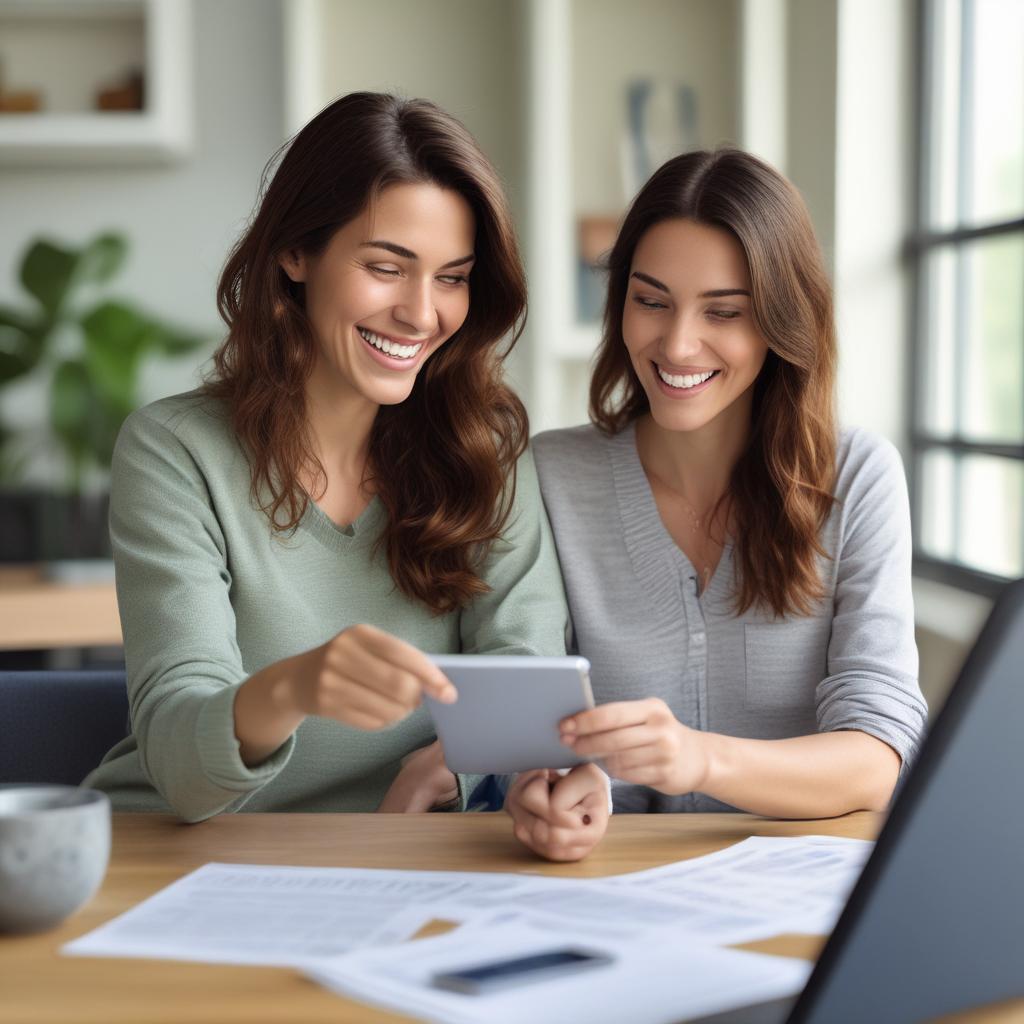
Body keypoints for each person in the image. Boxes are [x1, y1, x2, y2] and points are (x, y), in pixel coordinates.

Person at [84, 92, 606, 838]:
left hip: (395, 860)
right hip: (178, 851)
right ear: (296, 253)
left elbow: (521, 668)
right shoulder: (176, 451)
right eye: (386, 267)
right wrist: (297, 685)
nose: (422, 314)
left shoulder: (485, 448)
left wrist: (465, 766)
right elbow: (179, 758)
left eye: (452, 277)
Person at [508, 148, 927, 854]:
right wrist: (547, 788)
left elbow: (878, 756)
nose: (677, 344)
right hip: (606, 884)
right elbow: (533, 715)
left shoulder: (857, 476)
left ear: (780, 322)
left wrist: (699, 759)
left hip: (802, 896)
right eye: (651, 301)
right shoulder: (549, 475)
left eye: (723, 311)